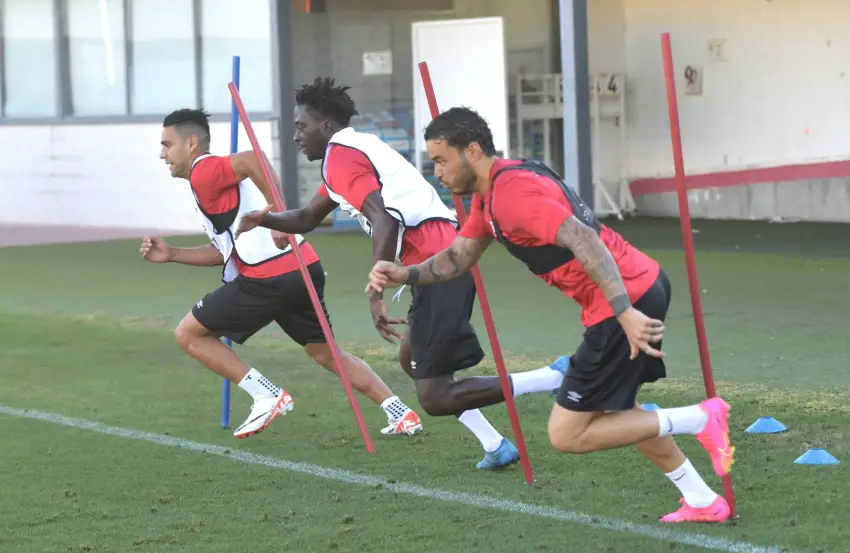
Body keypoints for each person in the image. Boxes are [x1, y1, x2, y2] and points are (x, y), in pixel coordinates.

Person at [365, 106, 735, 523]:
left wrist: (624, 313)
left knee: (568, 433)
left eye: (441, 160)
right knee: (619, 412)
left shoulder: (512, 195)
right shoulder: (494, 191)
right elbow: (457, 257)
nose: (437, 173)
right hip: (638, 286)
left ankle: (701, 418)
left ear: (472, 151)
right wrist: (406, 273)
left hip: (625, 299)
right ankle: (703, 500)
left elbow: (584, 239)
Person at [235, 77, 569, 470]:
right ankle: (496, 445)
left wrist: (376, 291)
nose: (296, 136)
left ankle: (553, 377)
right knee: (412, 360)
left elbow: (384, 220)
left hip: (435, 262)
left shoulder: (342, 156)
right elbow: (309, 216)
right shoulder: (351, 151)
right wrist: (266, 218)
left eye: (301, 126)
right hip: (434, 259)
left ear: (325, 126)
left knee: (434, 397)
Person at [141, 108, 422, 440]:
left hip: (269, 277)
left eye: (166, 145)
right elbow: (224, 253)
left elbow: (253, 159)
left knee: (189, 334)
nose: (162, 154)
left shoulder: (204, 170)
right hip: (302, 267)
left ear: (190, 143)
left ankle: (266, 395)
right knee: (325, 352)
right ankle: (399, 412)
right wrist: (173, 254)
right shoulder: (204, 183)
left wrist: (281, 213)